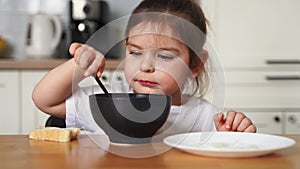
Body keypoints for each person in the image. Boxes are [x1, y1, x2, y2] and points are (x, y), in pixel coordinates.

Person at [32, 0, 256, 135]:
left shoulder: (206, 117)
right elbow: (44, 100)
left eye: (165, 56)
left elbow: (233, 149)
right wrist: (78, 66)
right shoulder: (106, 101)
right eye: (136, 52)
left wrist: (233, 136)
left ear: (195, 64)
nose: (146, 66)